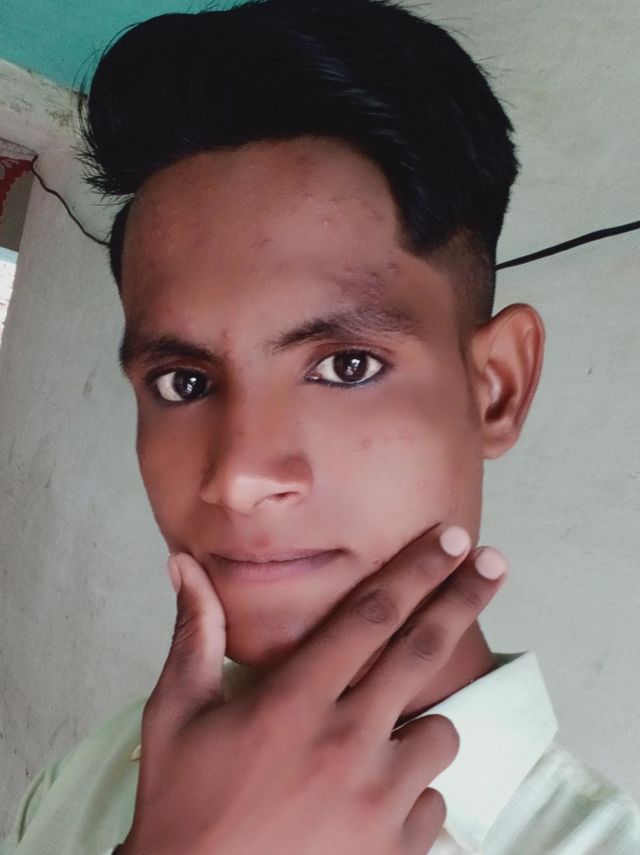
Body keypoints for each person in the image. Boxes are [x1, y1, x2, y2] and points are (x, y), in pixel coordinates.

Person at [1, 0, 639, 852]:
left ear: (495, 388)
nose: (237, 477)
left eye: (346, 366)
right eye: (185, 381)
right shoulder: (84, 776)